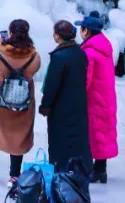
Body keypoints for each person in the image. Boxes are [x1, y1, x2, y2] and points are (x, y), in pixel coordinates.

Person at [0, 19, 41, 189]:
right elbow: (35, 69)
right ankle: (14, 176)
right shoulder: (34, 56)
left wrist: (2, 46)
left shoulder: (0, 53)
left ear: (10, 33)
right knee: (18, 138)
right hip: (23, 103)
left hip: (0, 103)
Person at [40, 20, 92, 172]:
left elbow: (52, 84)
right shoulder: (80, 53)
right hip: (79, 104)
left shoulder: (59, 57)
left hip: (61, 107)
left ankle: (60, 172)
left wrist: (46, 105)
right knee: (78, 139)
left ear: (58, 36)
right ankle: (80, 170)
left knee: (59, 140)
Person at [78, 11, 118, 184]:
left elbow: (85, 80)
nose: (80, 31)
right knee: (102, 131)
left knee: (95, 133)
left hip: (95, 99)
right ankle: (100, 168)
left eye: (82, 28)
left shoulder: (90, 52)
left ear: (87, 31)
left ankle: (97, 171)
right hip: (106, 97)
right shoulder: (104, 47)